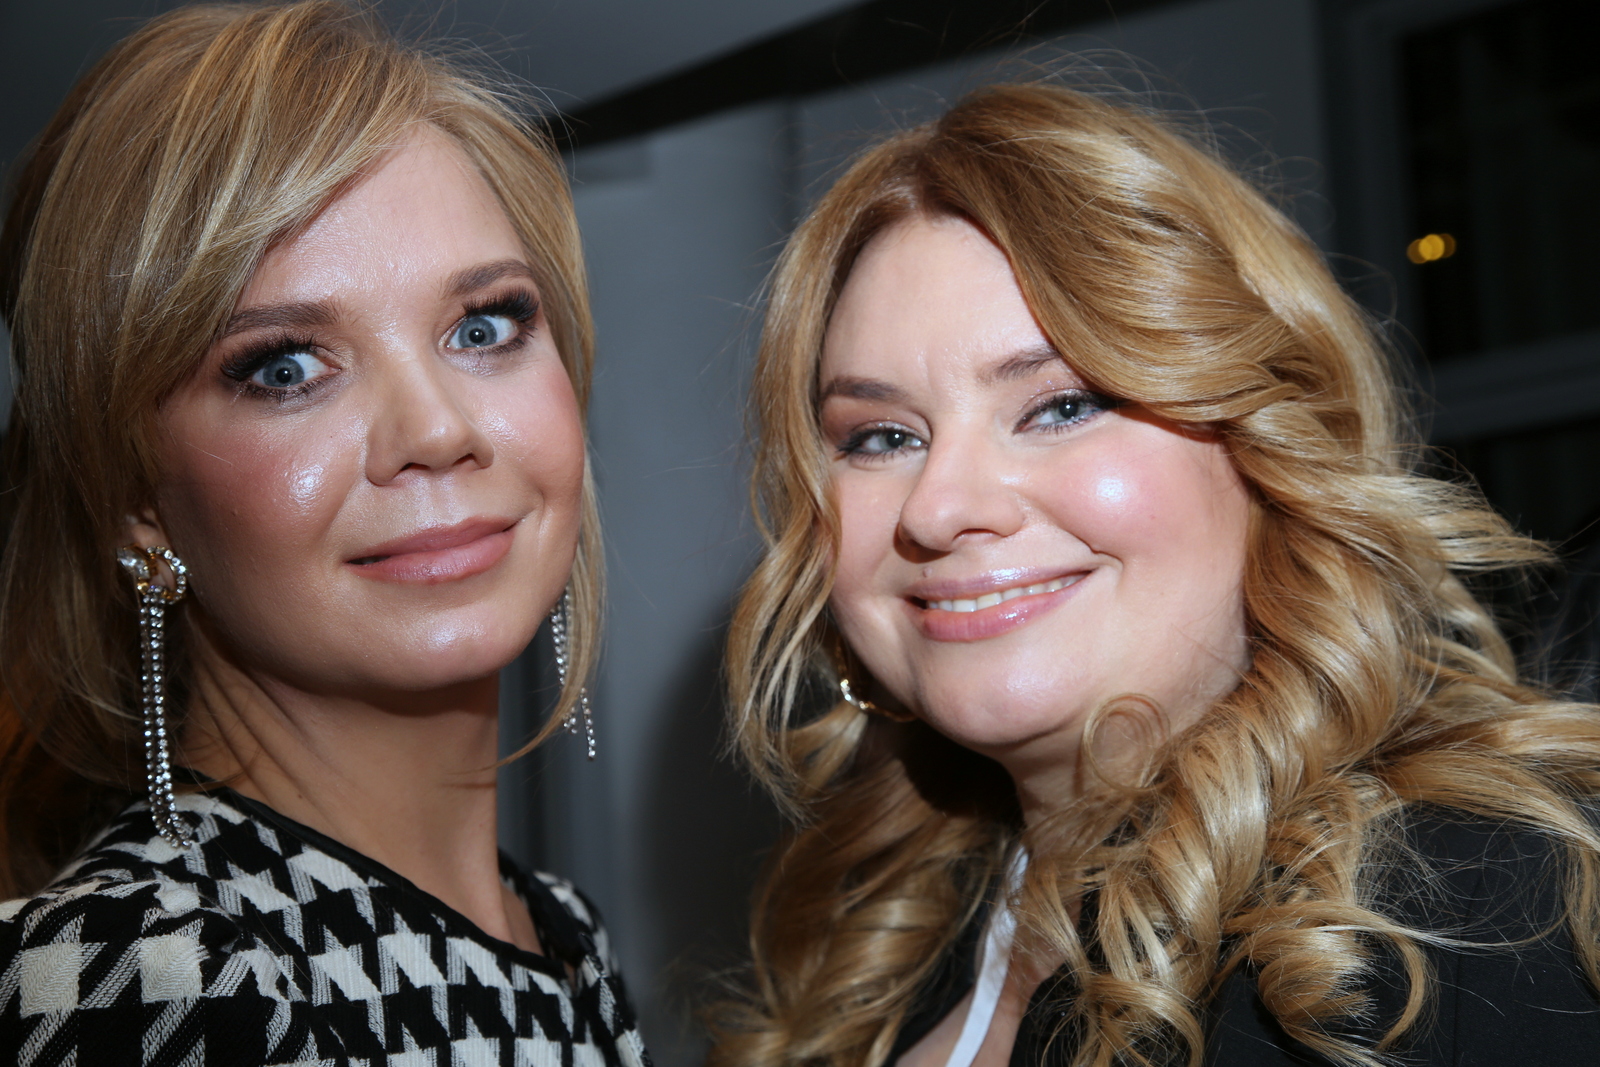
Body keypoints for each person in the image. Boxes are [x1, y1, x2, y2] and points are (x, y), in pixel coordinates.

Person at [711, 82, 1600, 1067]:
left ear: (1265, 448)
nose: (937, 507)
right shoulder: (873, 951)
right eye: (881, 436)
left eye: (1061, 405)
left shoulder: (1498, 904)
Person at [0, 4, 647, 1064]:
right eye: (286, 366)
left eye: (484, 325)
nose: (435, 430)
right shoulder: (138, 971)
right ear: (136, 500)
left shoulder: (562, 932)